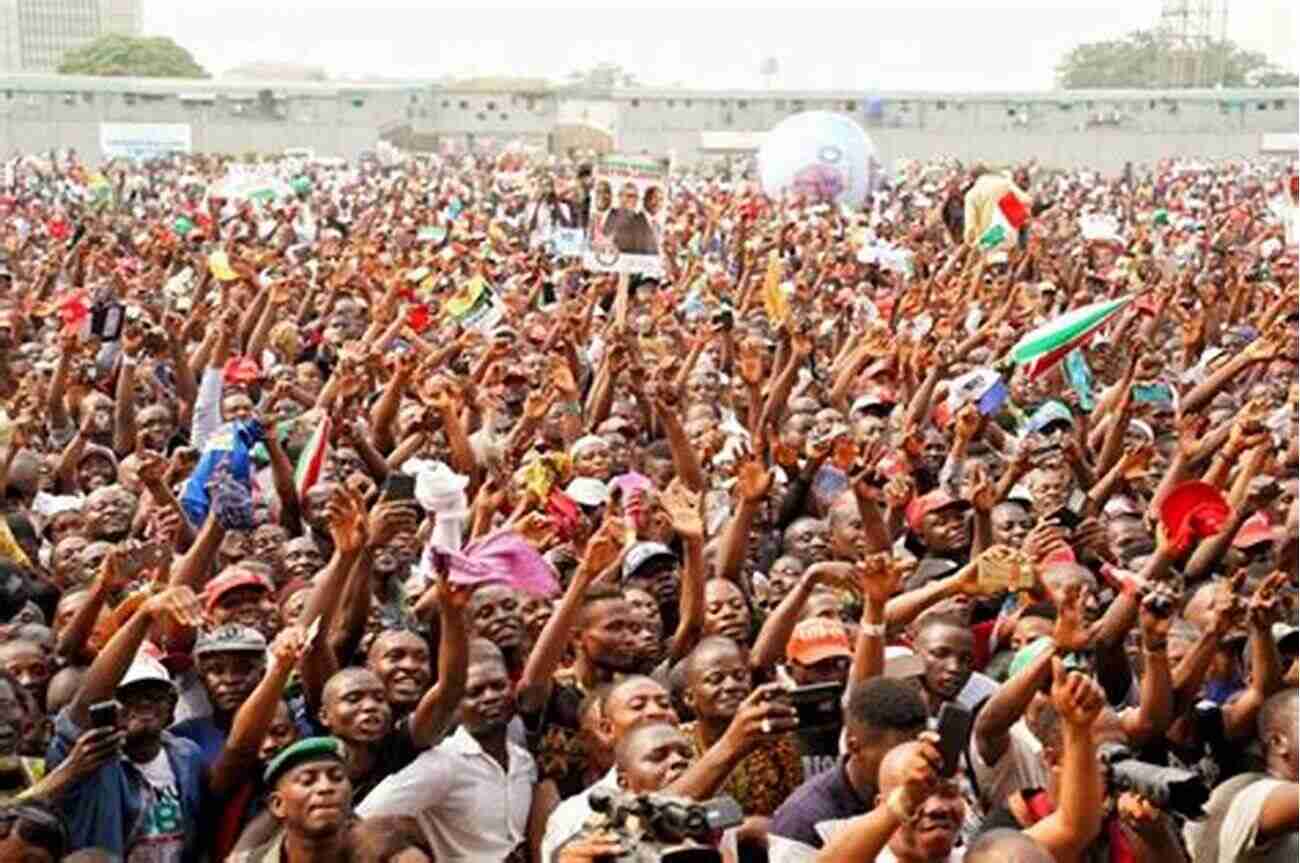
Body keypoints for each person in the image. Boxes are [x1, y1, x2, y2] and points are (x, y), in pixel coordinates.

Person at [357, 639, 537, 861]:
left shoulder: (524, 762)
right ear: (455, 707)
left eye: (498, 686)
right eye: (475, 692)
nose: (490, 696)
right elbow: (364, 816)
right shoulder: (443, 764)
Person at [601, 182, 659, 256]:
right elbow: (605, 241)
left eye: (635, 197)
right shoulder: (611, 216)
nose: (632, 200)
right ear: (620, 196)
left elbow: (651, 249)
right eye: (629, 196)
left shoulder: (641, 219)